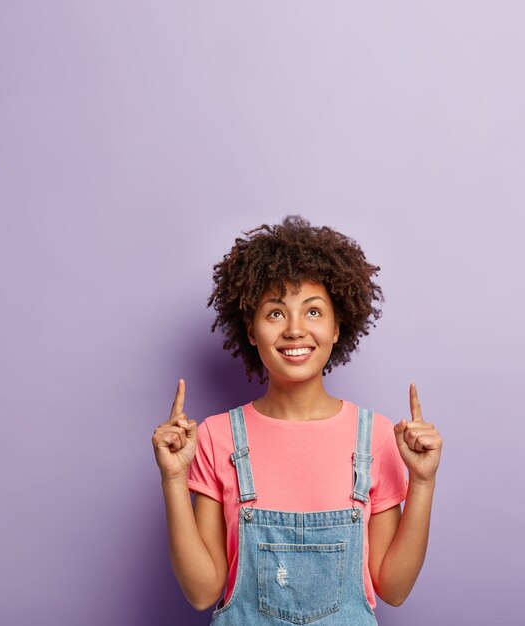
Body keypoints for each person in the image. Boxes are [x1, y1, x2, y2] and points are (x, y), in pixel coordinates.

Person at [152, 215, 442, 624]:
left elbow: (393, 589)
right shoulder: (218, 437)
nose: (294, 330)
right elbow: (201, 593)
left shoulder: (376, 437)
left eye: (313, 311)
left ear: (338, 326)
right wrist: (173, 479)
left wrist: (424, 483)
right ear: (251, 331)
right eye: (274, 313)